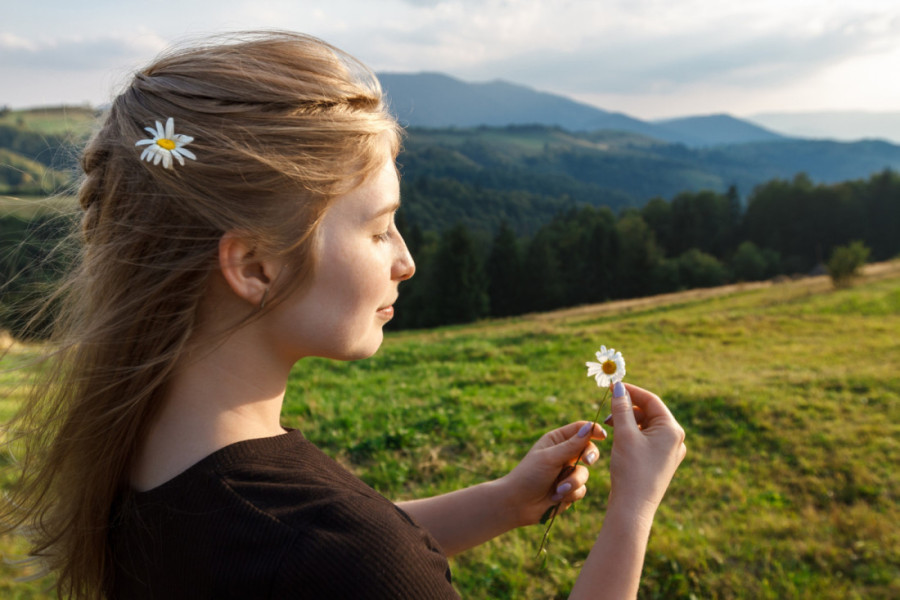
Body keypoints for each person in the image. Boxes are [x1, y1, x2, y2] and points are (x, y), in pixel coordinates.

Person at [0, 31, 686, 599]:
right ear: (255, 267)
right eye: (381, 227)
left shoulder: (144, 460)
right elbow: (345, 561)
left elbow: (304, 566)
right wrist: (630, 511)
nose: (406, 259)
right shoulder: (335, 547)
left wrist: (504, 501)